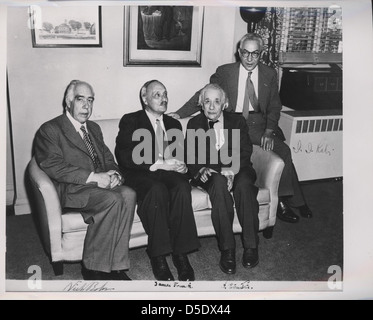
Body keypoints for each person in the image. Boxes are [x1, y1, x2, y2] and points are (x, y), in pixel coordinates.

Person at [169, 33, 313, 224]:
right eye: (246, 53)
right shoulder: (225, 72)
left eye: (255, 54)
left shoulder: (269, 74)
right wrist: (179, 114)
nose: (250, 58)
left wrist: (269, 131)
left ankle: (286, 199)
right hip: (234, 122)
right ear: (239, 52)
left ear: (261, 54)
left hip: (258, 125)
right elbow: (202, 95)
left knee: (283, 151)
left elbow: (274, 106)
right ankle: (288, 202)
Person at [34, 80, 136, 281]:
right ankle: (93, 267)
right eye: (81, 99)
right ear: (68, 101)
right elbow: (53, 165)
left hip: (99, 186)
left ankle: (115, 265)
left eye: (90, 100)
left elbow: (107, 158)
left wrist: (115, 175)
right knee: (112, 199)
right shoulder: (51, 129)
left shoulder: (94, 128)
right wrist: (93, 178)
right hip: (73, 189)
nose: (87, 106)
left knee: (129, 194)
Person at [115, 80, 200, 282]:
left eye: (165, 94)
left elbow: (181, 156)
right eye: (157, 95)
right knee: (157, 190)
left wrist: (183, 166)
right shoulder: (131, 120)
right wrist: (159, 163)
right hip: (142, 173)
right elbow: (124, 155)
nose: (164, 99)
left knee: (181, 186)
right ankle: (158, 255)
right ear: (144, 98)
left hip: (168, 173)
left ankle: (181, 254)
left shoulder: (173, 123)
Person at [185, 83, 259, 274]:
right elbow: (191, 156)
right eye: (207, 101)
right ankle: (228, 249)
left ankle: (251, 246)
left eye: (216, 102)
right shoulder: (195, 124)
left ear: (224, 104)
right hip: (210, 173)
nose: (211, 106)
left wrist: (231, 170)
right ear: (201, 104)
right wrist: (200, 169)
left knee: (244, 185)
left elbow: (245, 152)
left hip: (239, 168)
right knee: (218, 183)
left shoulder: (237, 122)